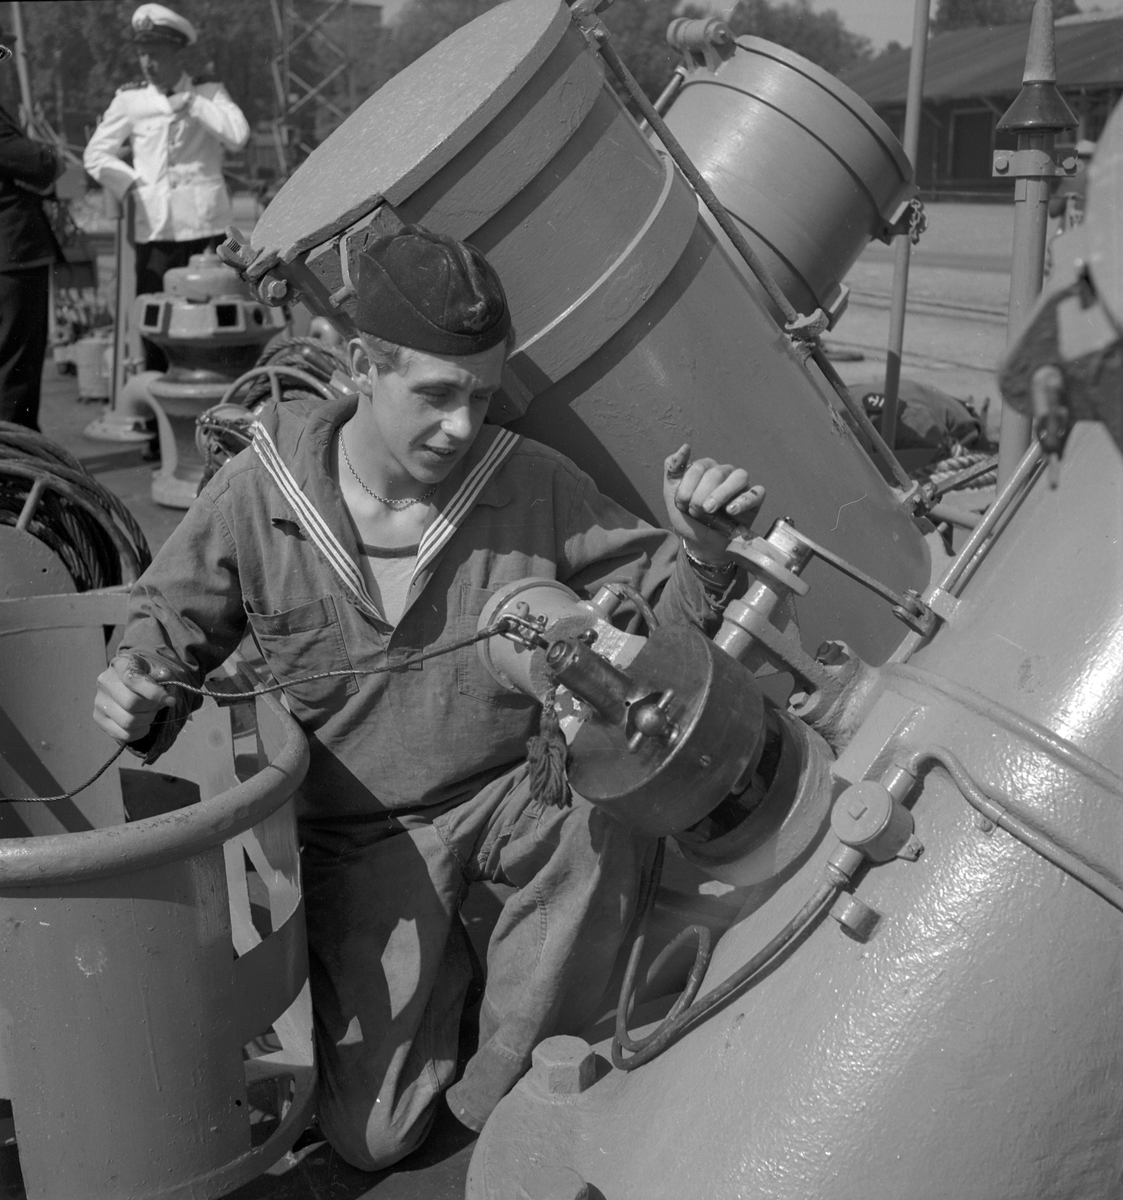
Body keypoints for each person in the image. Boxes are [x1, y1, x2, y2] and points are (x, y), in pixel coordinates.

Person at [92, 227, 764, 1170]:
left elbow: (653, 631)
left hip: (517, 791)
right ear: (363, 366)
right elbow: (165, 627)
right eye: (437, 394)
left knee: (612, 812)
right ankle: (451, 971)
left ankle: (516, 1082)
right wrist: (139, 691)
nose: (460, 426)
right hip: (364, 832)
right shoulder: (259, 492)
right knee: (375, 1137)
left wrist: (702, 552)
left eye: (481, 397)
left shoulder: (530, 481)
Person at [83, 3, 249, 371]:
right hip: (156, 231)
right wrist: (132, 185)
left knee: (214, 314)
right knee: (155, 317)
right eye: (142, 54)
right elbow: (95, 154)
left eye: (155, 54)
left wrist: (192, 104)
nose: (148, 63)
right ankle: (157, 387)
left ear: (177, 54)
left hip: (205, 230)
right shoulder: (131, 101)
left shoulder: (208, 92)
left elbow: (238, 136)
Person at [0, 17, 61, 429]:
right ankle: (14, 455)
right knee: (14, 368)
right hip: (11, 258)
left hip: (8, 258)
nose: (2, 63)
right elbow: (39, 164)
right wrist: (48, 159)